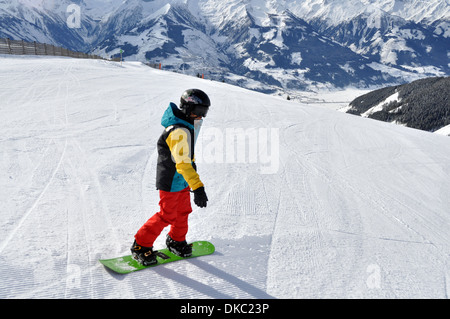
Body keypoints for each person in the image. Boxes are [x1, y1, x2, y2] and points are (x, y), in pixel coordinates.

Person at [131, 89, 210, 266]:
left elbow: (186, 159)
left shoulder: (186, 124)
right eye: (198, 111)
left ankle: (176, 239)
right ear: (187, 108)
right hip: (171, 180)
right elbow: (182, 163)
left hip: (181, 179)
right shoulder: (178, 131)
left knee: (183, 211)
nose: (201, 116)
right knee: (167, 215)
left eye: (204, 112)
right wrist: (197, 187)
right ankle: (140, 245)